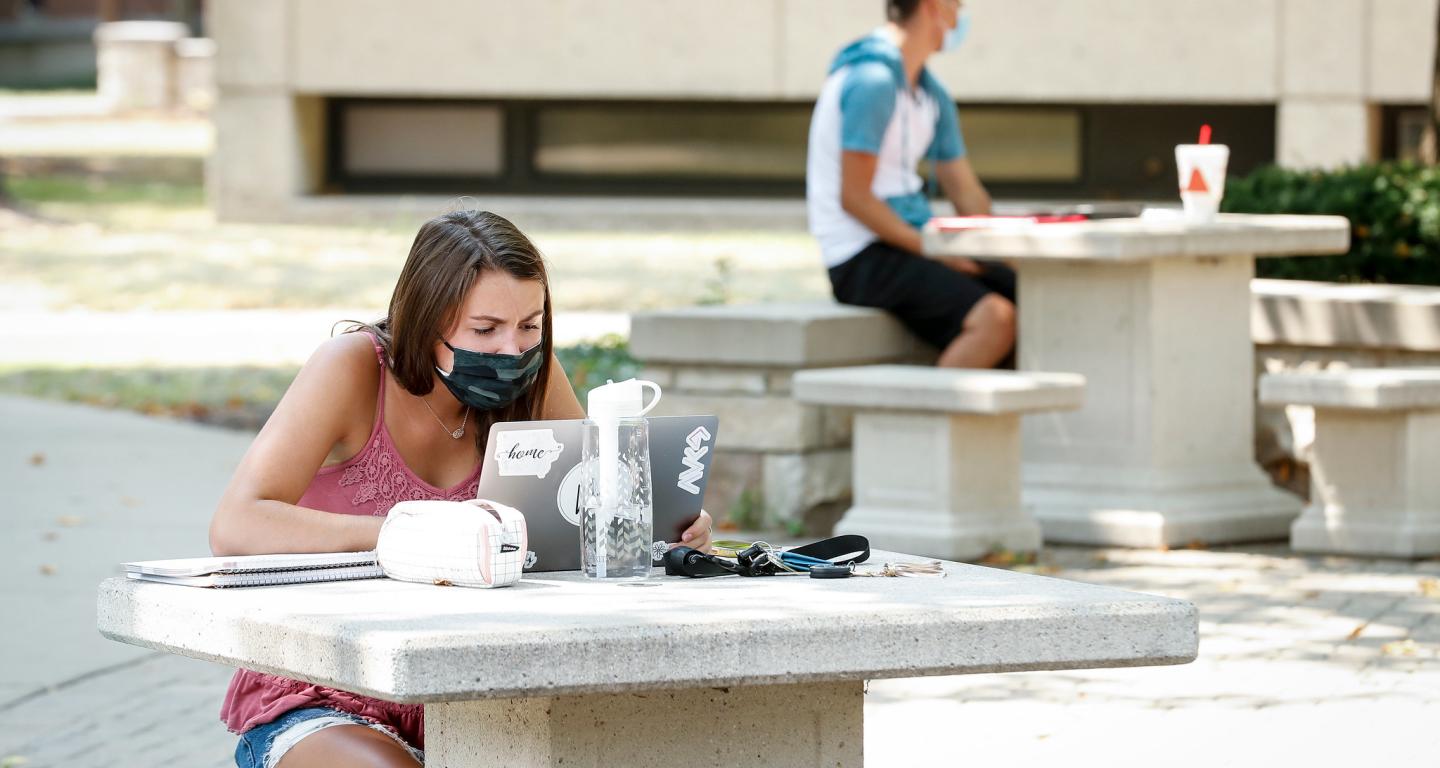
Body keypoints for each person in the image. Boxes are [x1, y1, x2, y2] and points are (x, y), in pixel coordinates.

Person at [209, 210, 714, 767]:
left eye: (530, 324)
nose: (511, 349)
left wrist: (665, 534)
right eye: (484, 329)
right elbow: (237, 524)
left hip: (480, 694)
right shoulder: (351, 368)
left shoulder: (534, 376)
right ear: (427, 319)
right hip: (327, 688)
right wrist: (420, 537)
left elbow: (580, 517)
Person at [806, 0, 1016, 368]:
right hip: (859, 254)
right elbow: (854, 197)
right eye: (958, 6)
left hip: (914, 242)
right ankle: (925, 425)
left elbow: (966, 193)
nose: (961, 17)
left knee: (1035, 294)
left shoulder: (930, 93)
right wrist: (935, 250)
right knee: (994, 320)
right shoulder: (871, 81)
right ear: (934, 6)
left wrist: (1016, 253)